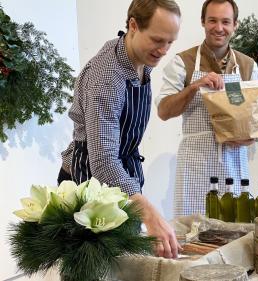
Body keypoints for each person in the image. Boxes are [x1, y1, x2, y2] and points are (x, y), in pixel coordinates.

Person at [58, 0, 182, 258]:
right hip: (88, 180)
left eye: (170, 42)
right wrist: (150, 213)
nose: (164, 50)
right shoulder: (106, 76)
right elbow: (103, 162)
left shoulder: (141, 59)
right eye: (158, 40)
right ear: (133, 26)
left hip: (121, 174)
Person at [156, 0, 258, 216]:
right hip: (195, 164)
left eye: (226, 21)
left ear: (235, 25)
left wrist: (246, 137)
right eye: (212, 20)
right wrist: (194, 86)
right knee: (191, 231)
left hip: (234, 162)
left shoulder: (247, 65)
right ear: (203, 22)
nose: (219, 28)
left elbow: (257, 122)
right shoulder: (182, 62)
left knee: (234, 229)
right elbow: (164, 111)